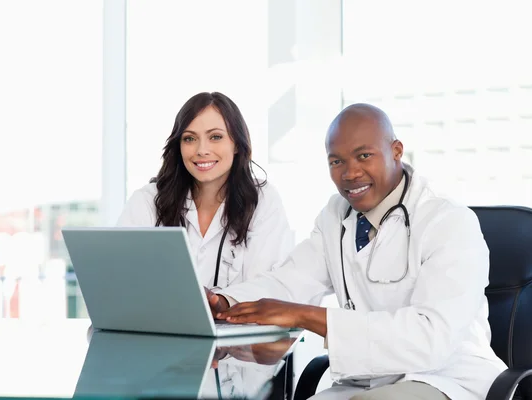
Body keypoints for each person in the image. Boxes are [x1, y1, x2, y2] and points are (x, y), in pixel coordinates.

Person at [208, 104, 507, 400]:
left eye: (364, 156)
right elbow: (289, 281)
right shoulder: (335, 216)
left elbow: (431, 339)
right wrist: (225, 302)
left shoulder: (448, 220)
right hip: (368, 380)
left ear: (397, 151)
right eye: (336, 162)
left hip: (447, 378)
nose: (350, 173)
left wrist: (305, 315)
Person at [117, 91, 293, 290]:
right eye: (189, 139)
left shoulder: (262, 200)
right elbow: (123, 281)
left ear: (236, 144)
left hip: (238, 322)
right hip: (156, 322)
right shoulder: (147, 201)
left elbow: (266, 289)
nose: (201, 150)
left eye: (215, 137)